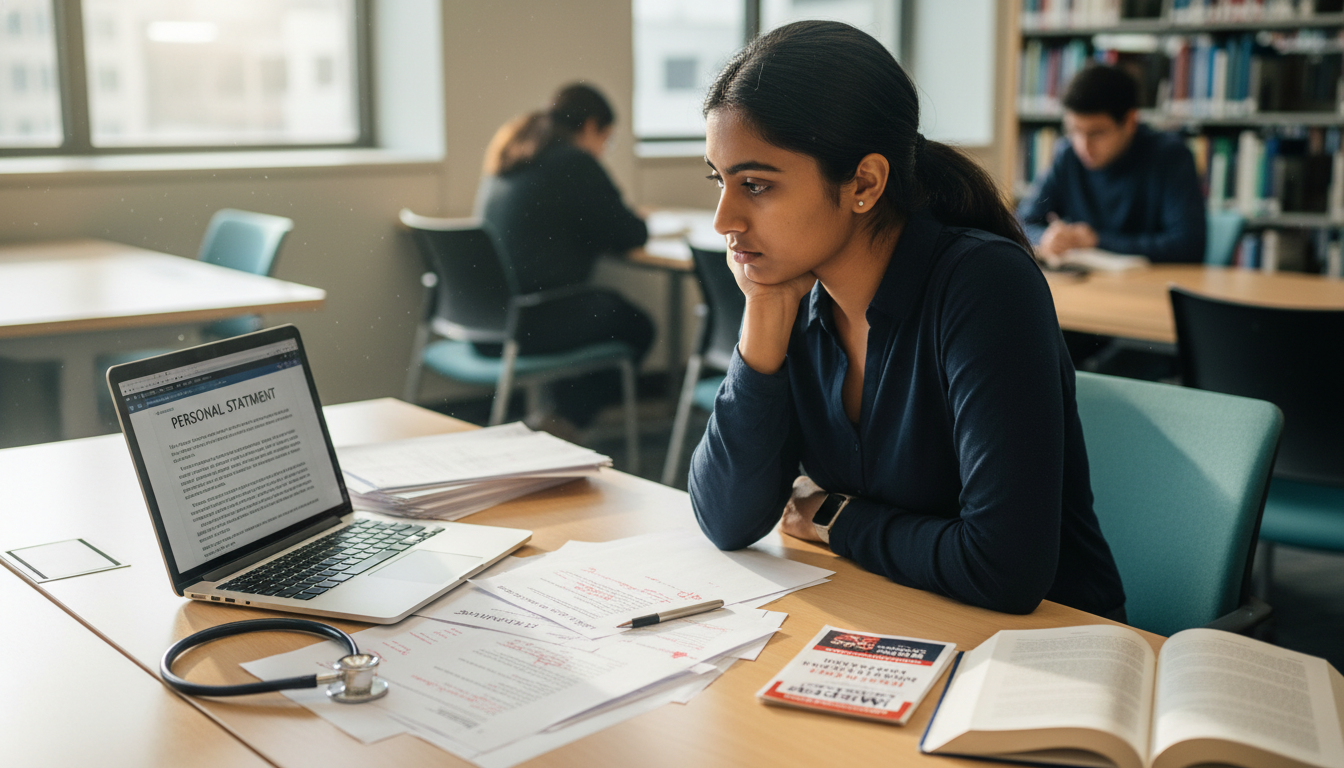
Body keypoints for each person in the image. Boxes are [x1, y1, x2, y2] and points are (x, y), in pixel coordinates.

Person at [689, 21, 1126, 619]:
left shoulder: (984, 286)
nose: (723, 220)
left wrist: (839, 518)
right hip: (903, 616)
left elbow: (1004, 569)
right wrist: (763, 317)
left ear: (864, 182)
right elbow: (725, 520)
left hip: (1046, 647)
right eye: (719, 180)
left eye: (756, 184)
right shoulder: (797, 299)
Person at [477, 83, 654, 430]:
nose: (604, 149)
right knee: (637, 325)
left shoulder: (515, 155)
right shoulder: (574, 161)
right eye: (607, 138)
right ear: (590, 127)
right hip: (531, 323)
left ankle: (556, 416)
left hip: (488, 324)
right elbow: (630, 233)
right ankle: (564, 421)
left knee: (595, 310)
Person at [1019, 64, 1206, 263]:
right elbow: (1019, 223)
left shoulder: (1171, 157)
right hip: (1090, 285)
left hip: (1149, 287)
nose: (1083, 146)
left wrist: (1097, 240)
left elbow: (1188, 245)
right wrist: (1047, 238)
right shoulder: (1068, 154)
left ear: (1130, 122)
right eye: (1074, 130)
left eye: (1096, 133)